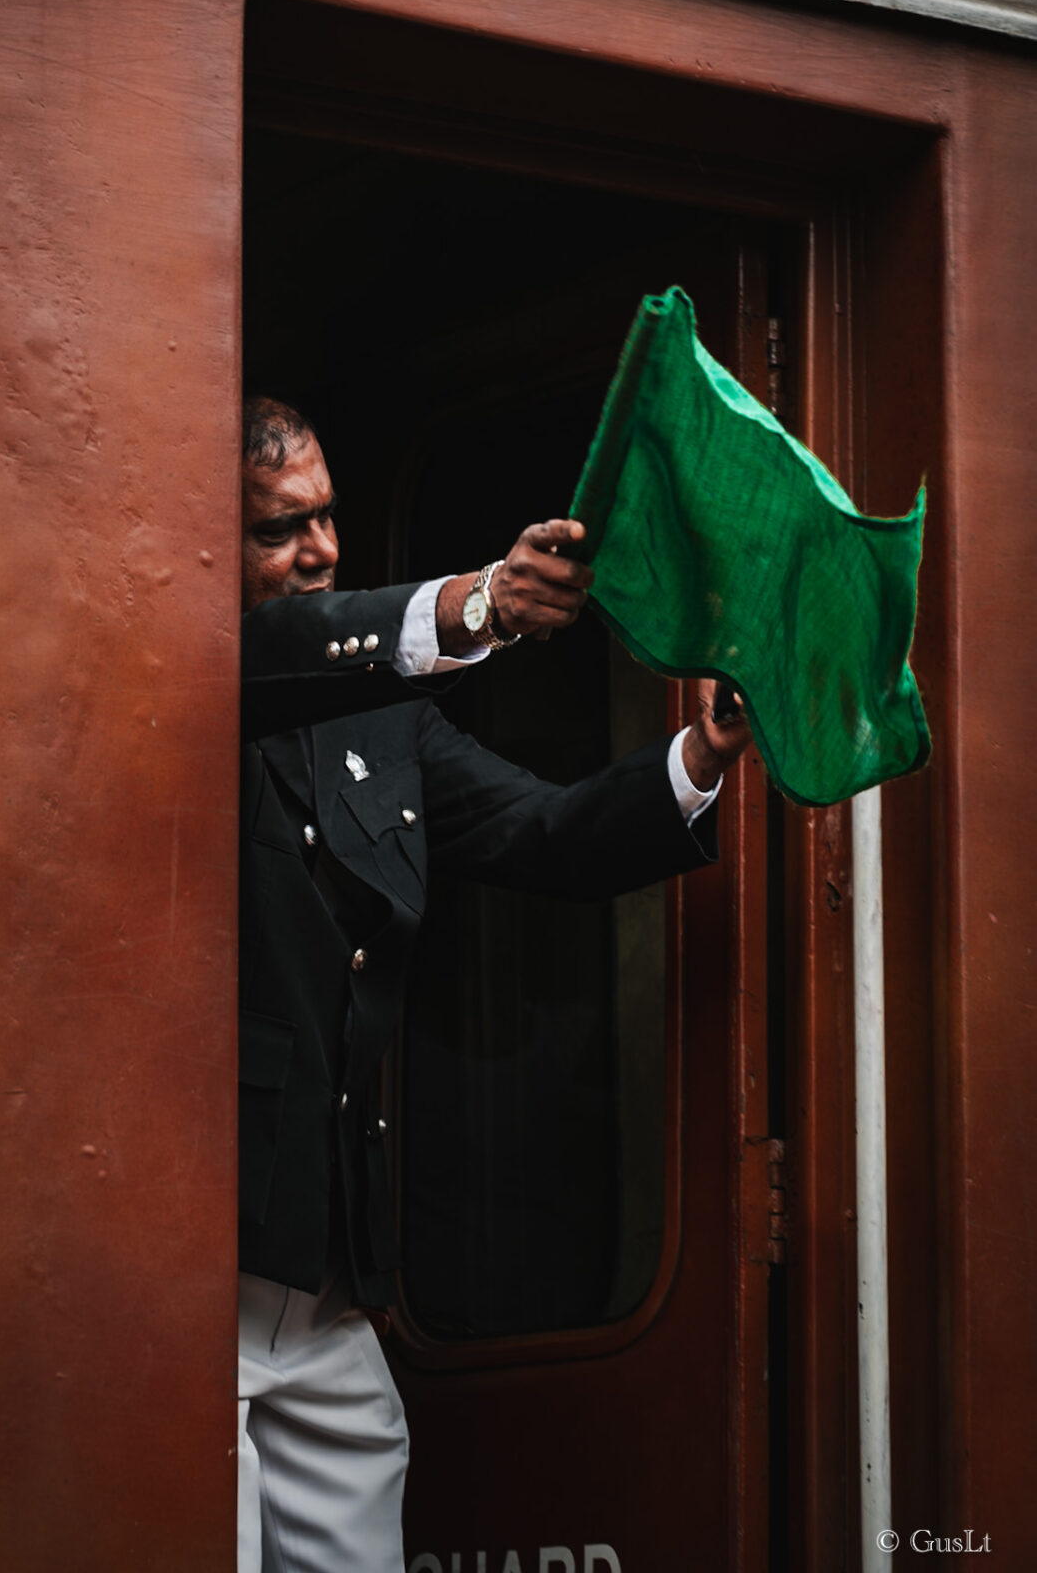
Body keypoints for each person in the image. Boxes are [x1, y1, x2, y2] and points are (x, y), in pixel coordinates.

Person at [236, 396, 750, 1573]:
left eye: (327, 520)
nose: (318, 551)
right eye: (278, 531)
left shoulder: (381, 712)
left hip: (328, 1270)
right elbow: (259, 664)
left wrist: (699, 755)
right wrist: (482, 604)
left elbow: (548, 836)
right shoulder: (180, 662)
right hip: (193, 1257)